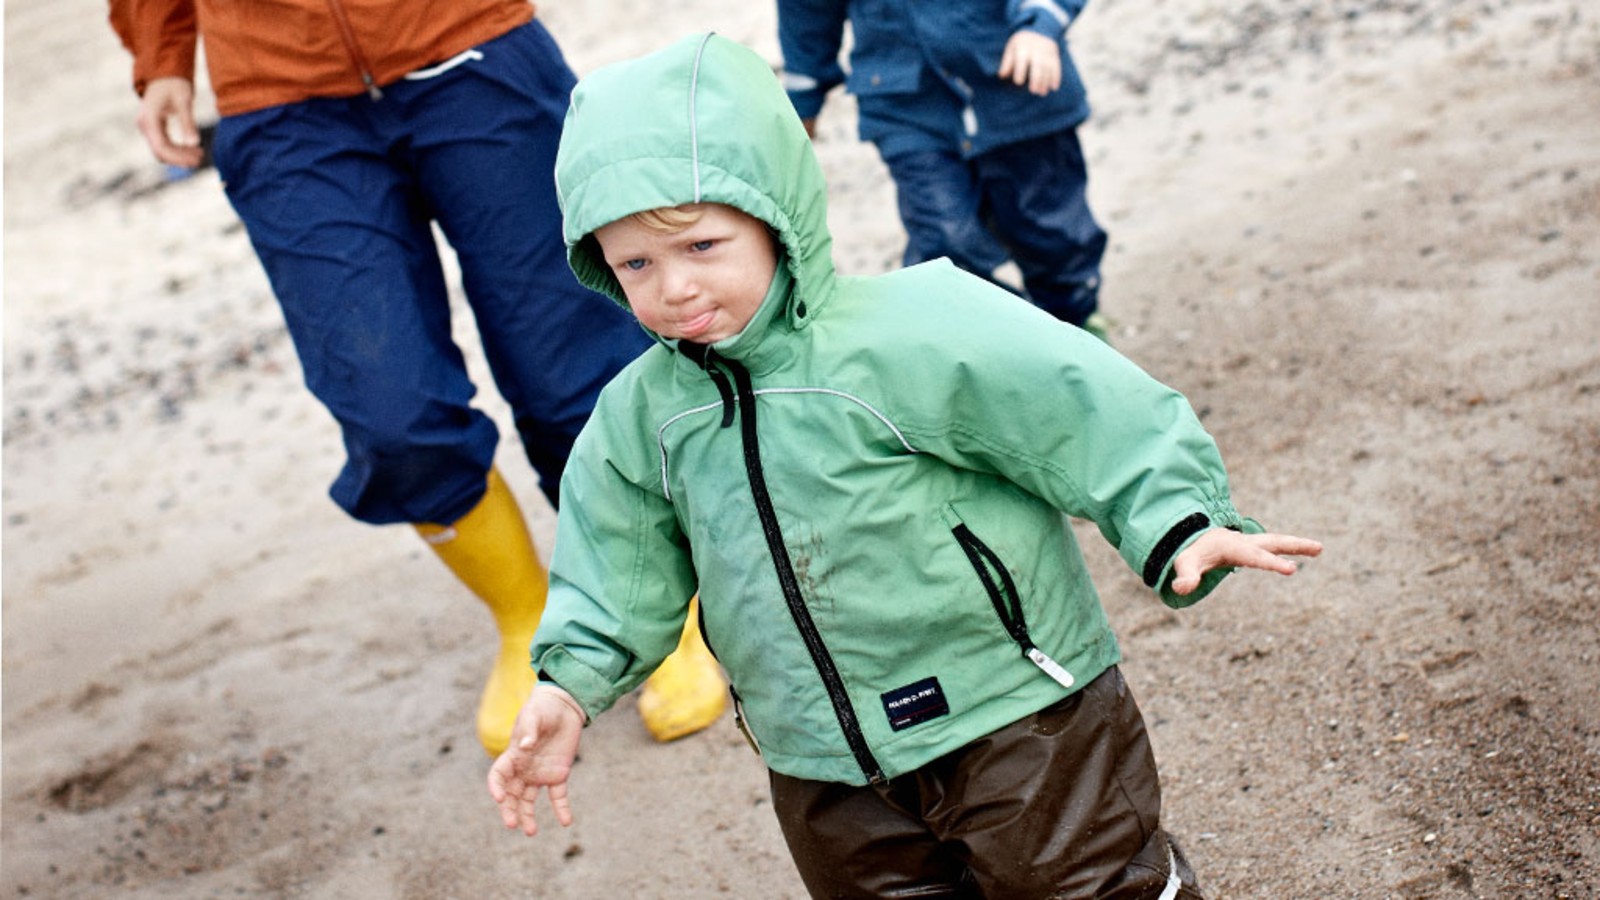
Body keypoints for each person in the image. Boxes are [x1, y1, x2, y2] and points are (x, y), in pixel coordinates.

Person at [487, 33, 1322, 897]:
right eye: (636, 264)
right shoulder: (639, 419)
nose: (674, 289)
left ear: (775, 216)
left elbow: (1079, 405)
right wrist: (569, 688)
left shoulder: (911, 328)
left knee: (1089, 886)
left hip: (1014, 711)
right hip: (821, 763)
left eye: (702, 246)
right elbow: (614, 567)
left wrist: (1180, 516)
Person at [106, 0, 727, 754]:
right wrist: (161, 54)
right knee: (392, 417)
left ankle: (653, 606)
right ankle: (526, 621)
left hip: (468, 47)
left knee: (574, 375)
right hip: (278, 97)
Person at [777, 0, 1112, 338]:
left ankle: (1077, 325)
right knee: (943, 243)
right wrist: (802, 103)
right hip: (907, 104)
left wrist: (1040, 25)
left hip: (1017, 86)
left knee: (1052, 236)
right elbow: (806, 14)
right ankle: (1015, 339)